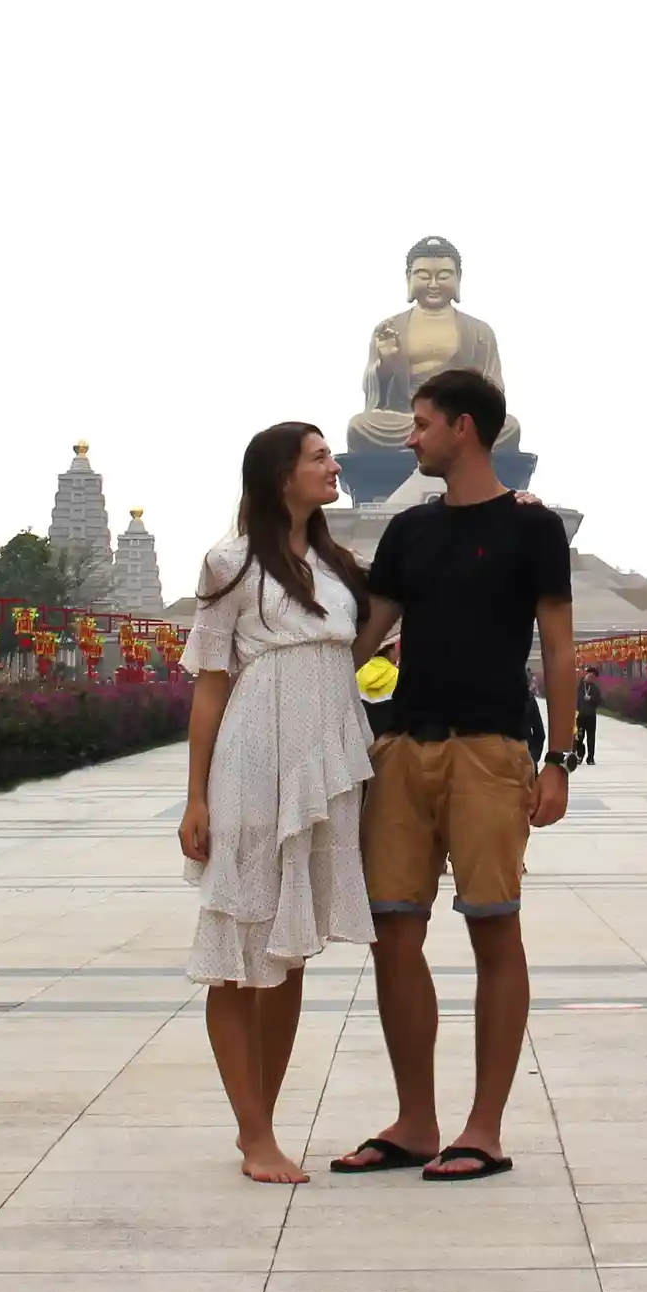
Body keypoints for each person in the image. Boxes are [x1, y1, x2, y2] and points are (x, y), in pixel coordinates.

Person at [330, 368, 576, 1184]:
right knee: (394, 932)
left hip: (491, 749)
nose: (411, 436)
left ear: (465, 427)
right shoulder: (407, 533)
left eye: (424, 422)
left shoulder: (533, 531)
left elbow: (561, 649)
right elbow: (366, 635)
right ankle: (416, 1117)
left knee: (492, 927)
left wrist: (559, 757)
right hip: (403, 747)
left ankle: (484, 1126)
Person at [177, 421, 377, 1184]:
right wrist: (195, 795)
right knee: (240, 949)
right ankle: (253, 1133)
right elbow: (211, 681)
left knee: (288, 953)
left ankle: (262, 1120)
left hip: (324, 762)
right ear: (278, 475)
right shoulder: (230, 562)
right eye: (320, 456)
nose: (334, 466)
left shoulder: (337, 563)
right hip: (253, 757)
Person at [575, 666, 602, 767]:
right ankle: (580, 754)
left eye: (593, 677)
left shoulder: (595, 689)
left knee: (591, 738)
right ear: (586, 675)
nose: (591, 678)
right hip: (580, 716)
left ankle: (590, 758)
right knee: (578, 737)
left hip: (591, 716)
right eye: (589, 676)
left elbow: (599, 701)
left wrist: (591, 699)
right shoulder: (579, 685)